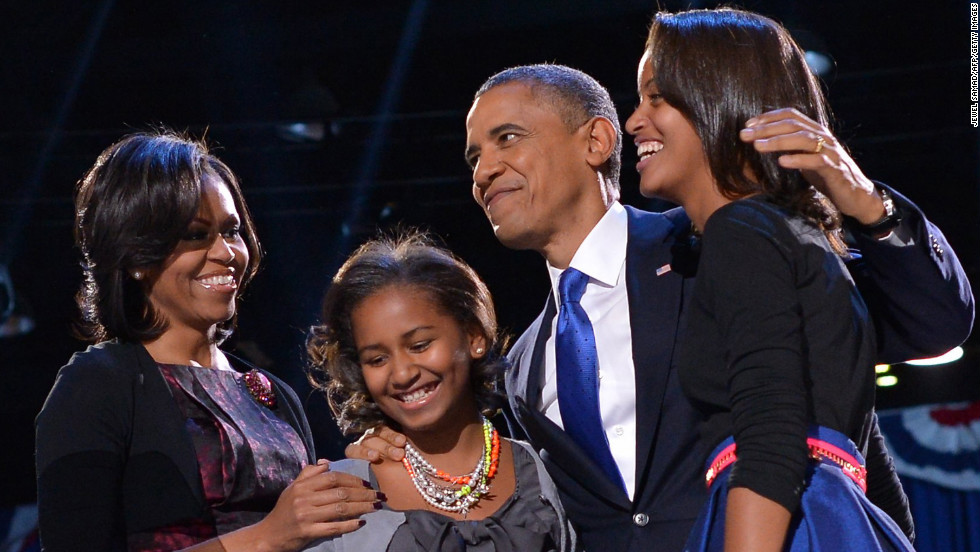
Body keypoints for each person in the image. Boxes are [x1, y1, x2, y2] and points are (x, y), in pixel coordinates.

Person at [350, 54, 973, 552]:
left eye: (506, 139)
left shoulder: (720, 242)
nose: (484, 170)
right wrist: (412, 455)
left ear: (596, 140)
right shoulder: (524, 364)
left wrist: (871, 206)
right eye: (474, 157)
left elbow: (930, 321)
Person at [624, 8, 934, 551]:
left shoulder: (740, 232)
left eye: (656, 97)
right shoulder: (803, 238)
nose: (635, 121)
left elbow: (768, 438)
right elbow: (873, 462)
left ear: (718, 98)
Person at [35, 131, 382, 552]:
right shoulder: (97, 385)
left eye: (232, 231)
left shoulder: (273, 395)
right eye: (197, 235)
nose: (228, 252)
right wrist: (267, 537)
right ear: (137, 256)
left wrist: (375, 465)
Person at [303, 232, 575, 551]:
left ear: (474, 335)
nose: (402, 374)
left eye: (420, 345)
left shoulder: (547, 473)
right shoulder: (338, 494)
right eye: (377, 359)